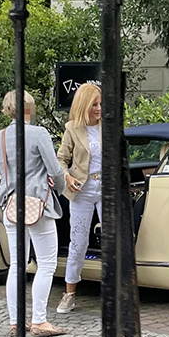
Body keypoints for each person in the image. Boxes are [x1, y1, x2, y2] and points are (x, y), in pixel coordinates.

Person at [0, 91, 69, 337]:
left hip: (10, 206)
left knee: (17, 264)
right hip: (38, 206)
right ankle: (39, 320)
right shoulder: (39, 134)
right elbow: (56, 171)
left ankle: (16, 321)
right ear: (29, 108)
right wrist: (60, 189)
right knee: (47, 263)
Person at [55, 83, 102, 314]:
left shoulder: (108, 126)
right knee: (78, 242)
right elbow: (61, 159)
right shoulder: (72, 128)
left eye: (100, 104)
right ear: (84, 105)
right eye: (94, 104)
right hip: (82, 190)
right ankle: (69, 294)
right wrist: (67, 177)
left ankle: (115, 291)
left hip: (106, 188)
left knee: (113, 240)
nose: (99, 108)